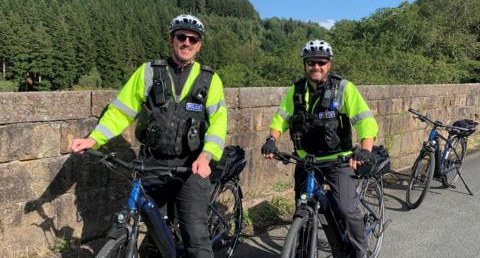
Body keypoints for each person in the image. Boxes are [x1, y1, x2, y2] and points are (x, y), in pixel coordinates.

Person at [71, 14, 227, 258]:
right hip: (153, 165)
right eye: (181, 37)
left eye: (193, 39)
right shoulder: (148, 72)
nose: (186, 43)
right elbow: (121, 111)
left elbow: (218, 123)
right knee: (156, 236)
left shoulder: (210, 79)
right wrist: (94, 139)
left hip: (192, 167)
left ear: (199, 45)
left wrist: (206, 156)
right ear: (171, 39)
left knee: (196, 238)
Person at [261, 39, 378, 258]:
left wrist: (365, 150)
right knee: (303, 207)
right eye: (311, 62)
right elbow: (281, 118)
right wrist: (271, 139)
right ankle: (303, 249)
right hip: (306, 161)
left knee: (345, 210)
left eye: (321, 62)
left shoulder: (343, 88)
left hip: (338, 161)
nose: (316, 67)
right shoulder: (296, 91)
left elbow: (365, 121)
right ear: (305, 65)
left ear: (329, 64)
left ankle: (360, 252)